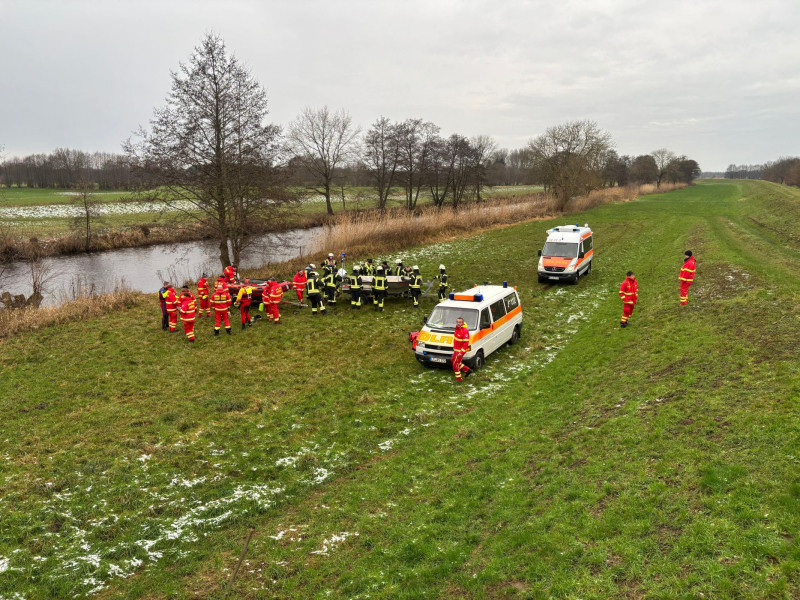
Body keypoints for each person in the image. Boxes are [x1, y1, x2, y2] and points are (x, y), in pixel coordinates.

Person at [452, 316, 472, 382]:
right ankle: (468, 370)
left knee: (455, 364)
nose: (458, 323)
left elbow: (466, 343)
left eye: (460, 322)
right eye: (457, 322)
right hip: (455, 350)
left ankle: (459, 379)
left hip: (459, 351)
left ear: (462, 323)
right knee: (453, 360)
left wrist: (461, 352)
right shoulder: (457, 329)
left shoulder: (464, 331)